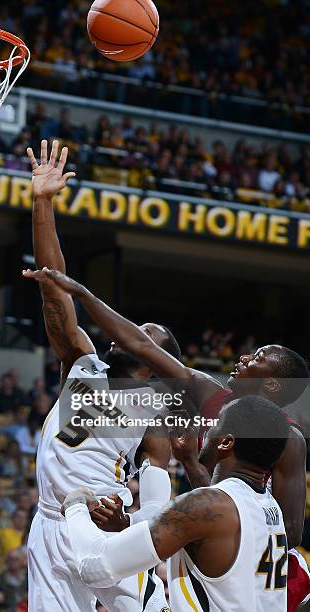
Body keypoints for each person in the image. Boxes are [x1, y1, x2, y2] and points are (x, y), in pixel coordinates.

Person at [24, 265, 310, 611]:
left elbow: (288, 532)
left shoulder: (287, 438)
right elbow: (141, 346)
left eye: (258, 358)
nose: (245, 357)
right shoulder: (212, 396)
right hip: (216, 526)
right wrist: (84, 295)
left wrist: (74, 509)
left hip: (246, 551)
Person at [24, 140, 181, 612]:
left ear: (152, 360)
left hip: (108, 529)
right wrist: (43, 202)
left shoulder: (154, 413)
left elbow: (157, 501)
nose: (119, 338)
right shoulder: (83, 362)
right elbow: (54, 286)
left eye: (139, 337)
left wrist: (126, 519)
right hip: (52, 525)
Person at [62, 396, 290, 611]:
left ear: (226, 442)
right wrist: (128, 522)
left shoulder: (204, 507)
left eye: (215, 423)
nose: (206, 429)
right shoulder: (269, 507)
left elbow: (95, 568)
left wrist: (76, 506)